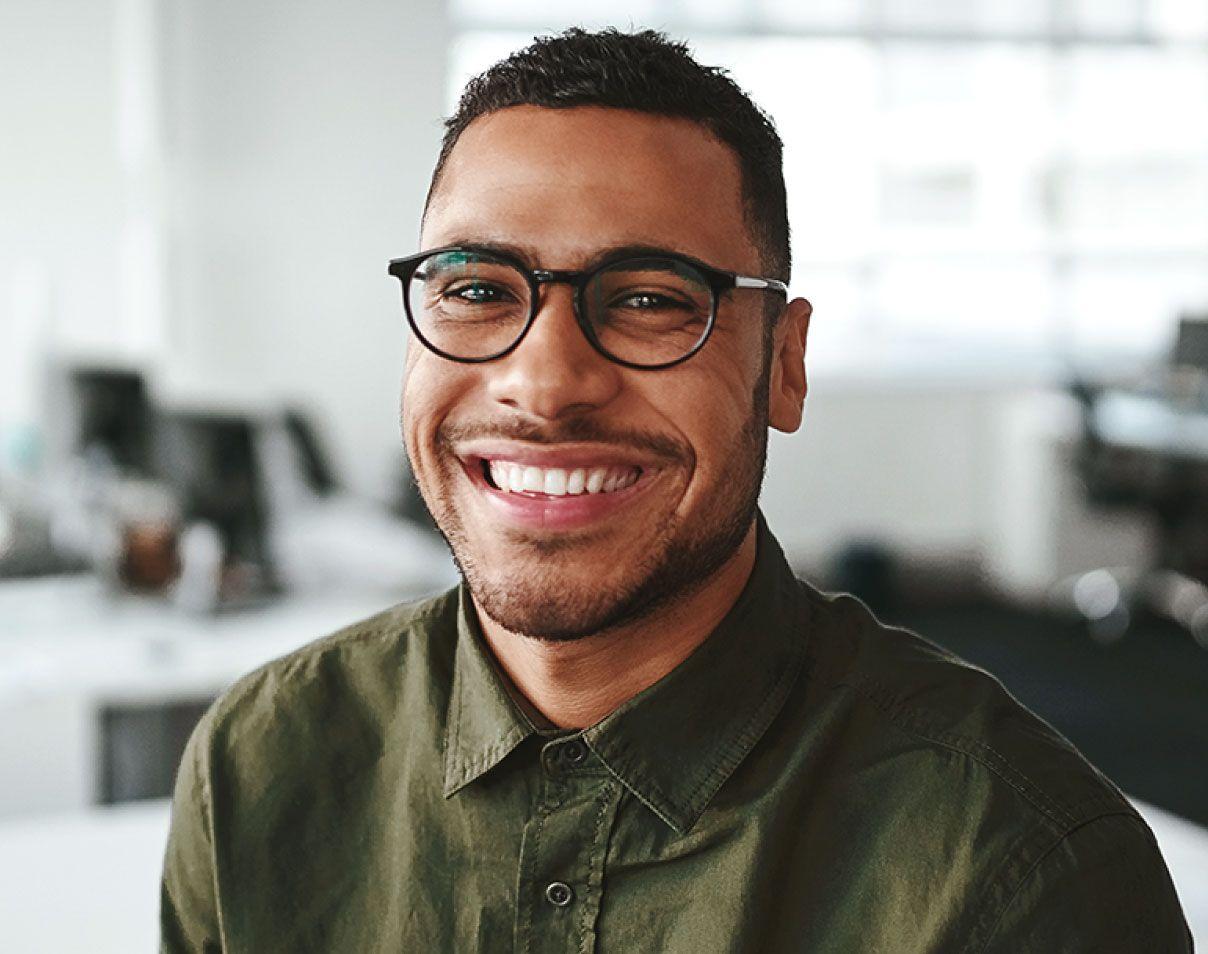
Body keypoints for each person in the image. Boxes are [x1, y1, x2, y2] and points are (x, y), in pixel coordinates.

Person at [160, 28, 1193, 952]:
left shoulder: (1015, 873)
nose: (544, 383)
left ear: (781, 367)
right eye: (476, 289)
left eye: (651, 299)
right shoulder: (260, 766)